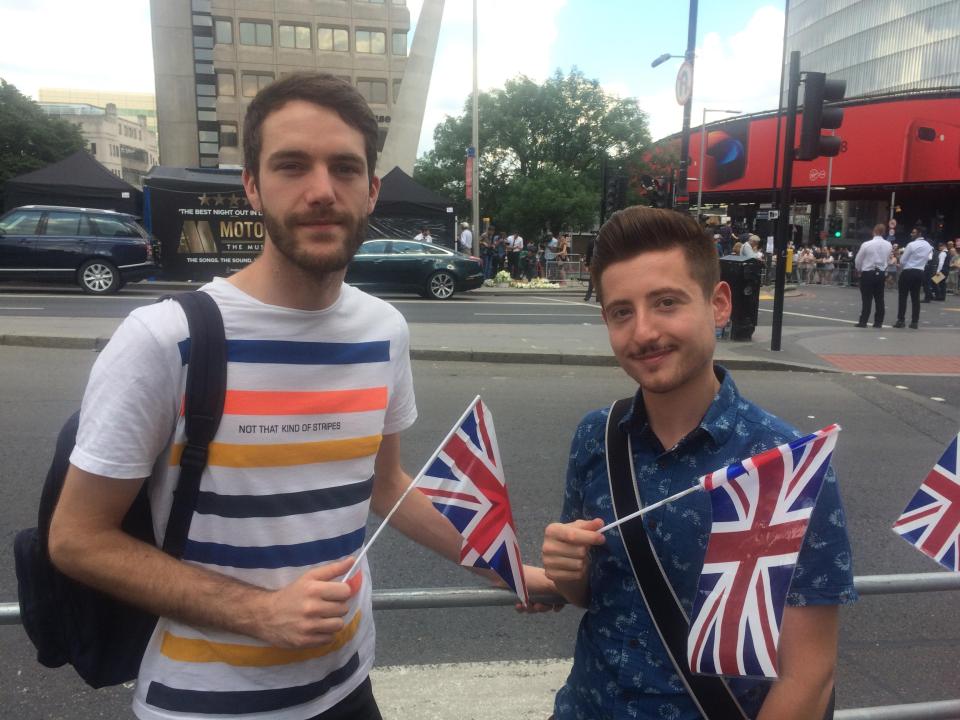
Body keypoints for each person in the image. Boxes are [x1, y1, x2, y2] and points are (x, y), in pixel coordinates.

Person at [47, 73, 555, 720]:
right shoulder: (164, 339)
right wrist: (258, 613)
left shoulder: (384, 332)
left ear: (371, 190)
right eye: (291, 166)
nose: (321, 190)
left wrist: (508, 568)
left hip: (349, 692)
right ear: (252, 187)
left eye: (344, 168)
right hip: (204, 708)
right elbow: (76, 538)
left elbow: (386, 483)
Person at [541, 206, 855, 720]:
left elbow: (810, 673)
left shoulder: (785, 462)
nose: (643, 332)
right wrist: (566, 571)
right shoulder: (594, 436)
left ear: (719, 304)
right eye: (622, 311)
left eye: (666, 302)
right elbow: (597, 595)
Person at [854, 224, 893, 328]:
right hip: (881, 273)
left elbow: (858, 259)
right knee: (879, 298)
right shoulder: (889, 245)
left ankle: (863, 321)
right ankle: (878, 322)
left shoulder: (867, 244)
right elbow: (888, 259)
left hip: (868, 272)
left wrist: (859, 269)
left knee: (867, 299)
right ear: (884, 232)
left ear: (874, 231)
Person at [894, 227, 933, 329]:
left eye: (913, 232)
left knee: (903, 297)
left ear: (919, 233)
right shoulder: (929, 246)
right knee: (915, 298)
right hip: (920, 271)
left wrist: (904, 264)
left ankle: (901, 320)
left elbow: (902, 261)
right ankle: (914, 322)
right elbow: (928, 258)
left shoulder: (911, 245)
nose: (911, 234)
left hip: (908, 271)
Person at [582, 234, 596, 301]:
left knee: (592, 279)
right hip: (602, 260)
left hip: (593, 261)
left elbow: (588, 254)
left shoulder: (592, 242)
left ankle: (588, 296)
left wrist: (587, 264)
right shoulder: (604, 241)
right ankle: (598, 297)